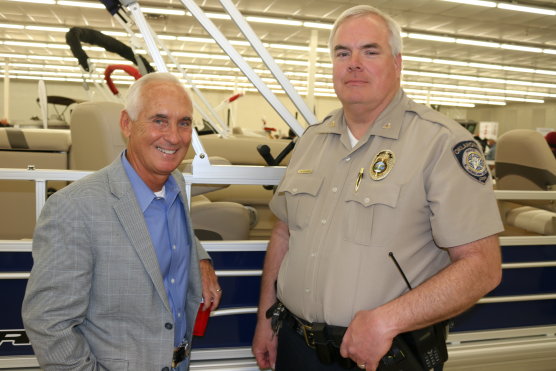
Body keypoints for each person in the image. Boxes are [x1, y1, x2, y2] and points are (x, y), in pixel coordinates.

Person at [252, 5, 503, 371]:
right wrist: (266, 319)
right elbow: (284, 232)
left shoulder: (441, 144)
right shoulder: (312, 141)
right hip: (296, 347)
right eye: (342, 53)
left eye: (370, 51)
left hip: (384, 355)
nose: (354, 63)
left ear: (397, 63)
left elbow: (482, 266)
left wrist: (390, 319)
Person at [22, 72, 222, 371]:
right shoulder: (75, 207)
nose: (174, 136)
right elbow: (49, 322)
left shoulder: (175, 185)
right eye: (159, 120)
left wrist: (200, 259)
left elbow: (164, 235)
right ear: (127, 124)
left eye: (184, 122)